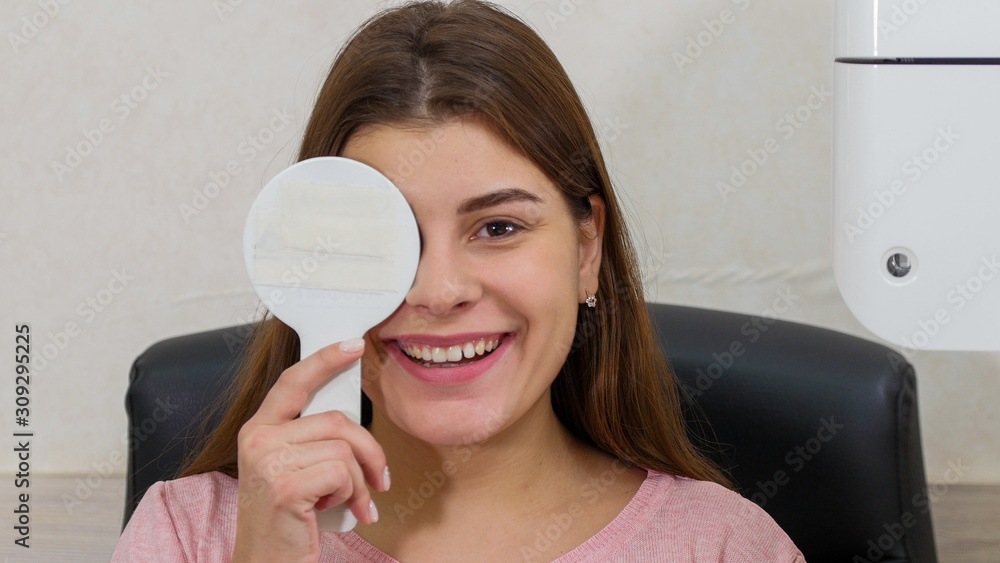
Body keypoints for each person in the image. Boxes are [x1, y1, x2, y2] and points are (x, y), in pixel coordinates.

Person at [114, 1, 805, 561]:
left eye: (498, 227)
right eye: (389, 239)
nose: (438, 290)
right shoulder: (187, 537)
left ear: (587, 248)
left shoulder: (725, 547)